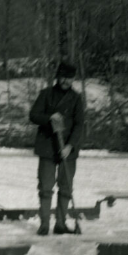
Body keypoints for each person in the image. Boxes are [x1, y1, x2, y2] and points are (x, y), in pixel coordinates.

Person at [28, 60, 85, 236]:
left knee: (66, 188)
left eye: (69, 78)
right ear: (57, 77)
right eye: (62, 77)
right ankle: (44, 224)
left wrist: (70, 145)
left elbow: (79, 125)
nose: (65, 81)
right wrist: (49, 117)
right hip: (47, 147)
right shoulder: (46, 94)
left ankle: (60, 224)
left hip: (67, 150)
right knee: (45, 188)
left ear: (73, 79)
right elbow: (33, 115)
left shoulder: (76, 99)